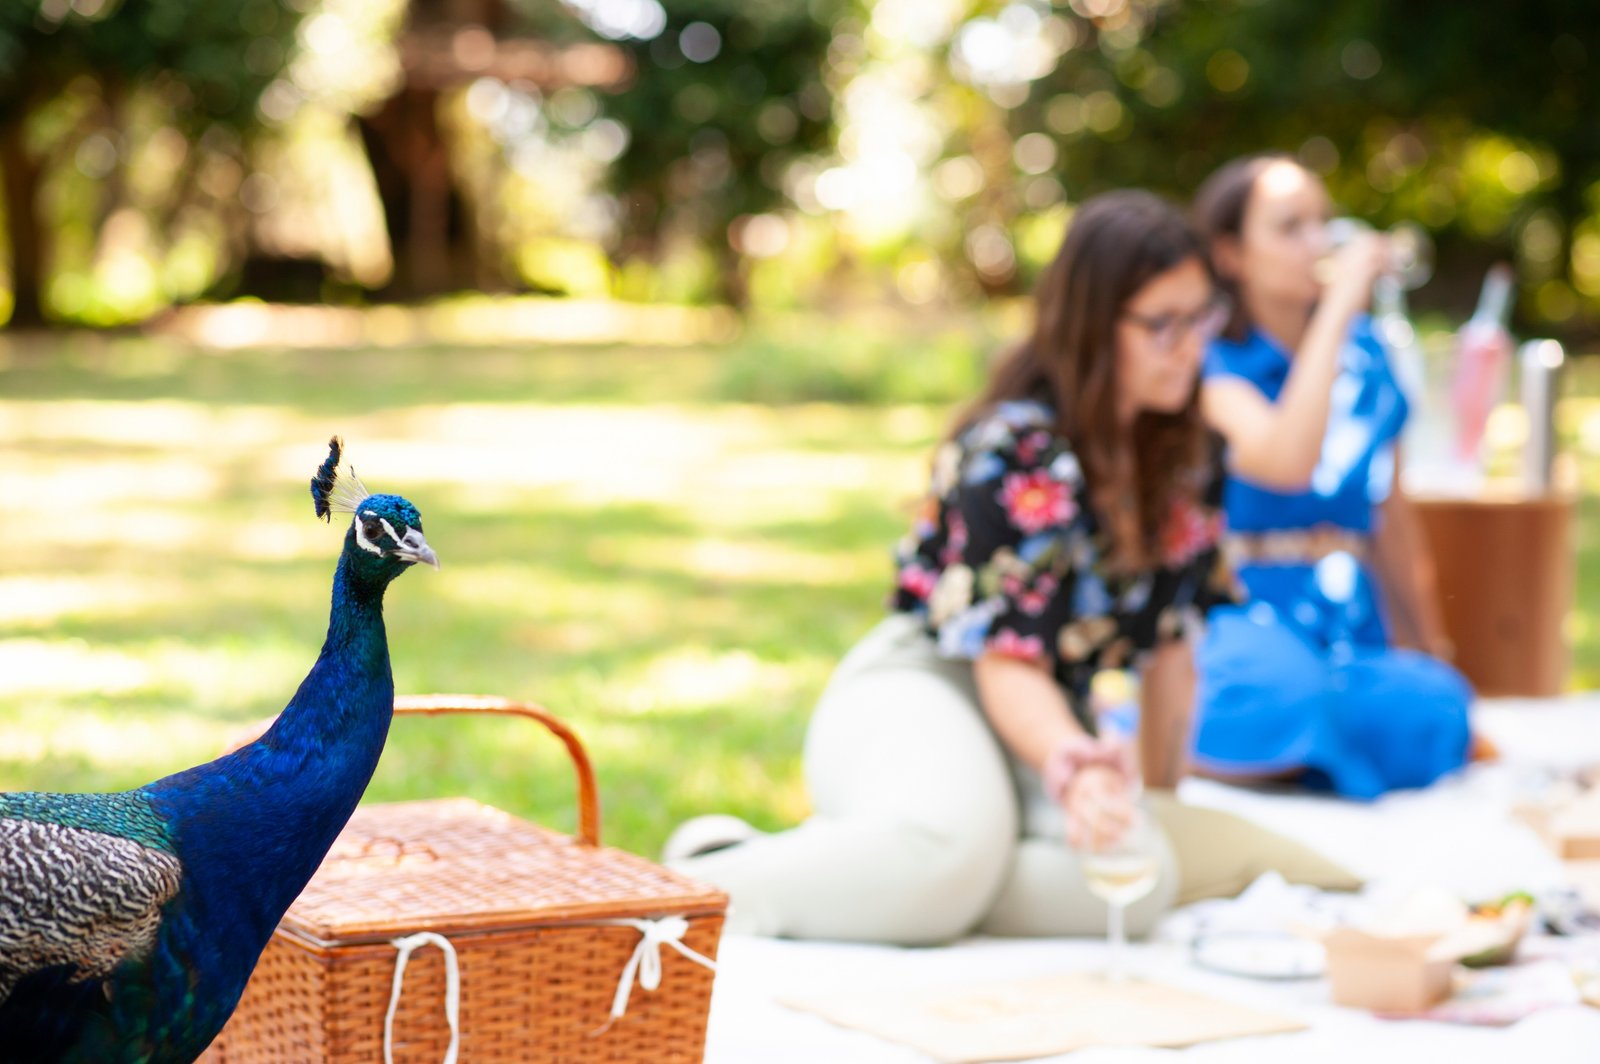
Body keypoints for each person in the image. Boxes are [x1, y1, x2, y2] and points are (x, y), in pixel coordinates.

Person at [665, 190, 1357, 946]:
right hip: (929, 686)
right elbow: (1005, 661)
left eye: (1202, 318)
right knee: (954, 855)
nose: (1190, 346)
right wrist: (1075, 765)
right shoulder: (1016, 450)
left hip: (1048, 723)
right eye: (1162, 324)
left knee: (1137, 880)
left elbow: (1171, 654)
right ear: (1094, 324)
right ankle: (692, 883)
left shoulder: (1188, 456)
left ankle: (868, 870)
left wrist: (1150, 807)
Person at [1189, 153, 1473, 800]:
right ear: (1230, 254)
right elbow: (1284, 462)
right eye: (1290, 228)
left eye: (1323, 221)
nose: (1318, 243)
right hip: (1240, 614)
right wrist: (1340, 303)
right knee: (1284, 689)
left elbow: (1391, 518)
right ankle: (1283, 745)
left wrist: (1429, 647)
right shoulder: (1210, 360)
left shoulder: (1366, 354)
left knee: (1439, 703)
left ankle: (1286, 756)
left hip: (1346, 628)